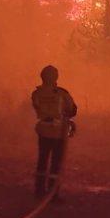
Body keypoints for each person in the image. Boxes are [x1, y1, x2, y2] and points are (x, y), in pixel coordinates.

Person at [31, 64, 77, 199]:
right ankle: (53, 193)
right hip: (58, 132)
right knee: (56, 163)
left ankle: (39, 190)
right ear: (56, 77)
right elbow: (72, 110)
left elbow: (36, 106)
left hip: (43, 130)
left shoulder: (36, 93)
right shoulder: (62, 94)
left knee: (42, 160)